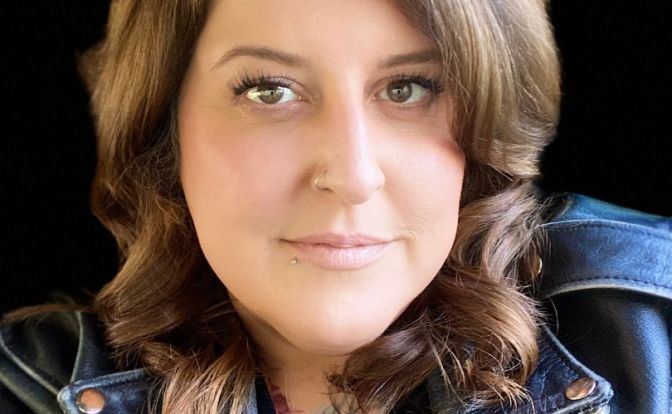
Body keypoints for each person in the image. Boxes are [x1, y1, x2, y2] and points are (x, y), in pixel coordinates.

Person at [1, 0, 670, 413]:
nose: (352, 175)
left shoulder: (649, 329)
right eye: (269, 91)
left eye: (408, 88)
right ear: (164, 129)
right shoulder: (28, 385)